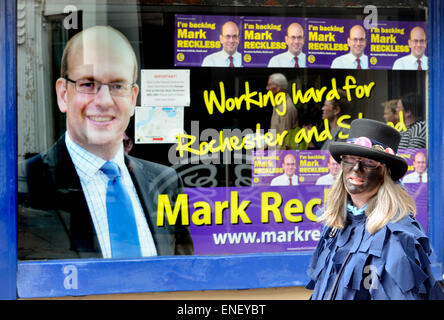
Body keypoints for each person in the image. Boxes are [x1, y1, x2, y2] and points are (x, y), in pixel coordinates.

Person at [18, 26, 194, 260]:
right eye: (88, 84)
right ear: (63, 94)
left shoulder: (166, 184)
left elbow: (183, 278)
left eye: (117, 86)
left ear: (132, 98)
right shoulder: (20, 185)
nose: (103, 101)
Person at [306, 118, 444, 300]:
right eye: (350, 159)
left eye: (369, 162)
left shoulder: (398, 236)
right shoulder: (336, 224)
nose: (356, 168)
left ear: (385, 174)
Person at [266, 73, 299, 149]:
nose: (267, 88)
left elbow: (283, 141)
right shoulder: (278, 105)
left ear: (279, 87)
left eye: (270, 85)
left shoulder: (285, 108)